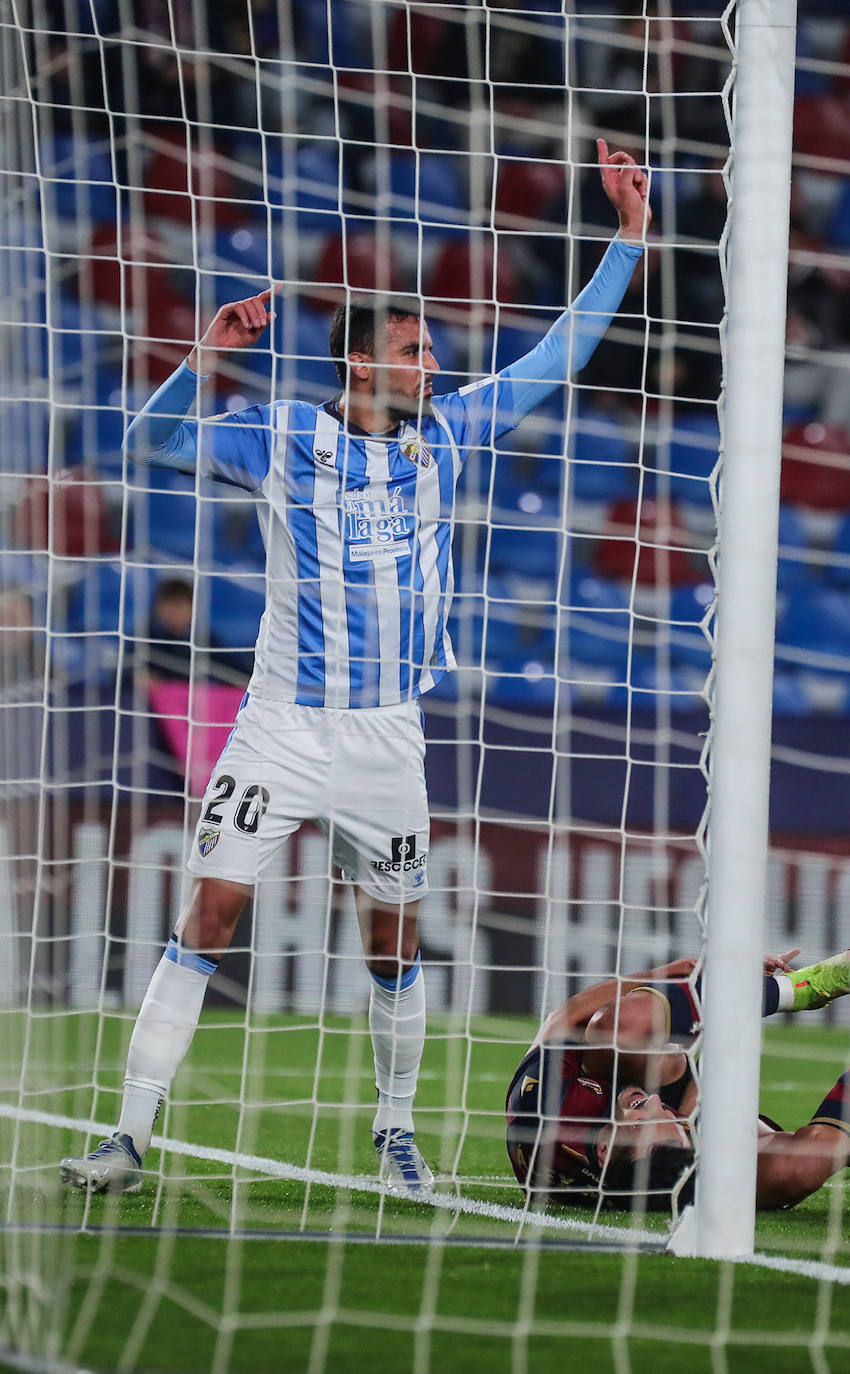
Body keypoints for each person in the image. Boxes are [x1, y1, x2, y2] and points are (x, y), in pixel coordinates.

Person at [60, 139, 651, 1199]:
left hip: (387, 736)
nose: (436, 364)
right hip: (282, 724)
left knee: (391, 942)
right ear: (364, 365)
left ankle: (394, 1131)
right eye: (417, 350)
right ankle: (128, 1136)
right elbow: (145, 446)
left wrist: (627, 239)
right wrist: (206, 350)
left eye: (432, 349)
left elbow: (559, 356)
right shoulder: (283, 437)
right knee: (210, 916)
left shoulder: (453, 431)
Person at [506, 941, 850, 1211]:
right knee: (803, 1168)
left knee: (630, 1029)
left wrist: (691, 973)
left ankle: (797, 991)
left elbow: (570, 1016)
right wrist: (689, 1119)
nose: (656, 1104)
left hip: (622, 1055)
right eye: (674, 1122)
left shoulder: (553, 1109)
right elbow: (674, 1129)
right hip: (686, 1123)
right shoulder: (682, 1168)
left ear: (603, 1146)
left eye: (645, 1108)